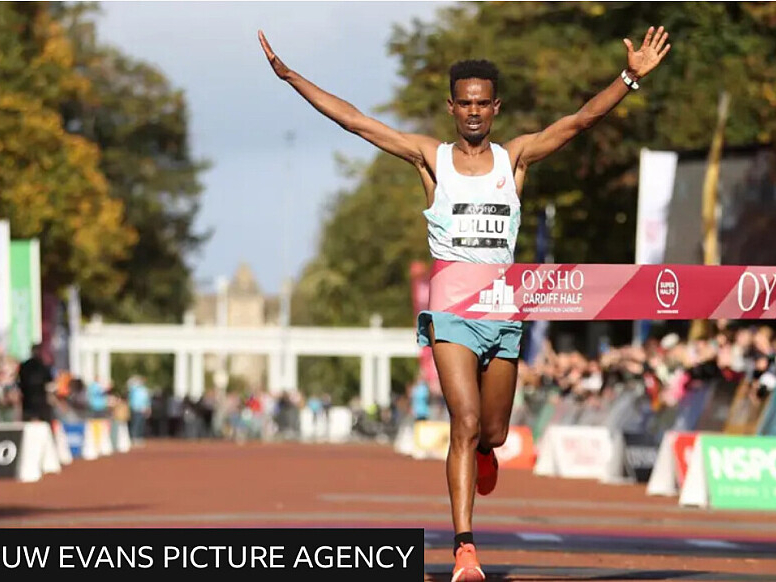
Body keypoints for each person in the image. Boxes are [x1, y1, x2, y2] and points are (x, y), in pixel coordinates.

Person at [259, 26, 671, 581]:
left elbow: (579, 122)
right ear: (451, 106)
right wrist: (291, 77)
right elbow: (356, 121)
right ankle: (465, 548)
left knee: (493, 432)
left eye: (482, 103)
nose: (473, 112)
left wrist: (628, 78)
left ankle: (483, 454)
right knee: (466, 422)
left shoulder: (515, 158)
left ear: (495, 108)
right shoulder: (430, 159)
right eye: (464, 103)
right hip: (452, 314)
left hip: (502, 313)